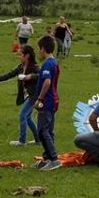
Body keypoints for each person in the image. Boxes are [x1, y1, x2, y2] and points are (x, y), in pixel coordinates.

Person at [0, 44, 39, 147]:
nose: (19, 57)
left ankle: (22, 142)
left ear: (27, 56)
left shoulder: (35, 68)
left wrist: (30, 76)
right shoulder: (20, 67)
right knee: (27, 117)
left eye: (21, 55)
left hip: (34, 95)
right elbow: (8, 75)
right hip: (28, 96)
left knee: (22, 115)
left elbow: (42, 75)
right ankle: (38, 140)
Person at [33, 36, 62, 171]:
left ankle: (54, 159)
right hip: (53, 100)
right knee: (48, 130)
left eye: (39, 49)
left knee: (42, 131)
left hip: (47, 101)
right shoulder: (54, 62)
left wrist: (39, 99)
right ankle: (46, 159)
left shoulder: (47, 64)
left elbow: (47, 82)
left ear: (43, 49)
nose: (39, 52)